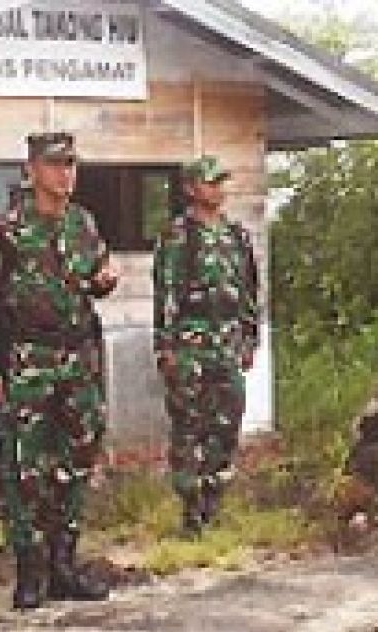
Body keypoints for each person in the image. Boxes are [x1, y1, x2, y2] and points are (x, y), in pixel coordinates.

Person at [0, 132, 120, 610]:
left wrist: (104, 281)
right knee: (22, 468)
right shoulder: (5, 230)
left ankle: (63, 564)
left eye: (71, 164)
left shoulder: (83, 224)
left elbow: (95, 275)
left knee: (76, 459)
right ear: (32, 169)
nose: (66, 173)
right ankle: (29, 571)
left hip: (78, 360)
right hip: (28, 359)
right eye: (56, 165)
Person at [153, 156, 259, 538]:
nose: (218, 189)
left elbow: (249, 289)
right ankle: (191, 513)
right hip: (189, 345)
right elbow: (165, 293)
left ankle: (215, 504)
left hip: (228, 343)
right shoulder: (177, 235)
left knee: (226, 425)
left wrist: (250, 339)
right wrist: (165, 347)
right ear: (191, 188)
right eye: (210, 182)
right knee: (188, 428)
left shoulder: (237, 235)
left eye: (221, 181)